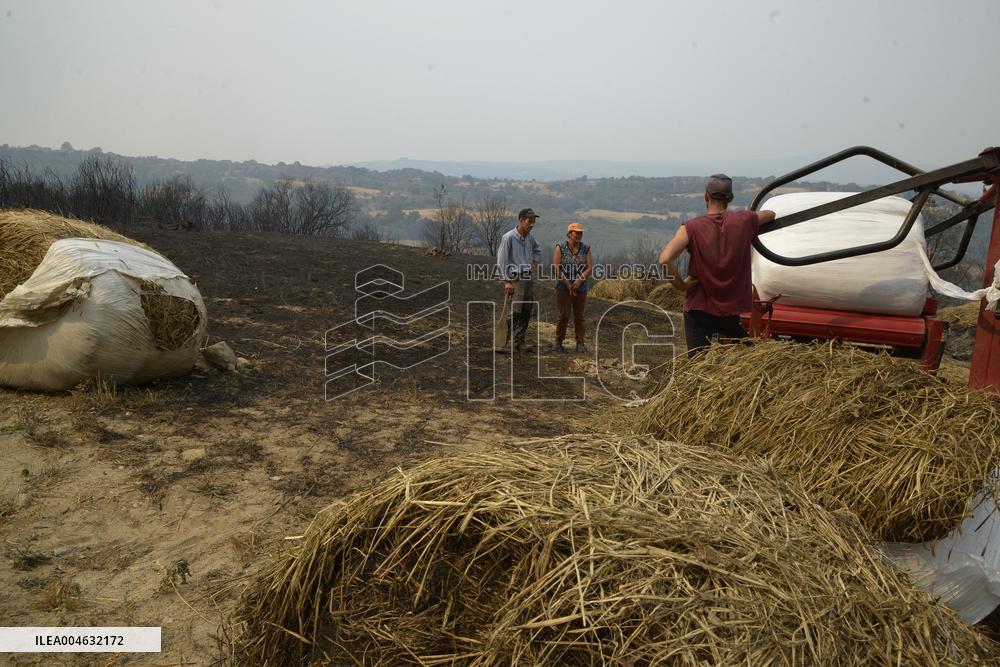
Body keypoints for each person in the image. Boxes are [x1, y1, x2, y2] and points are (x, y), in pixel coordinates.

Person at [658, 174, 776, 358]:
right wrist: (751, 215)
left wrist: (683, 286)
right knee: (748, 362)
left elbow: (664, 260)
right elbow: (770, 215)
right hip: (730, 313)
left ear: (706, 196)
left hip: (698, 311)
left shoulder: (690, 227)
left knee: (696, 368)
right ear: (730, 198)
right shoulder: (745, 221)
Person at [495, 207, 542, 353]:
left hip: (528, 278)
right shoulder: (508, 237)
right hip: (515, 278)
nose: (532, 224)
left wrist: (535, 260)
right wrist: (507, 281)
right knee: (515, 311)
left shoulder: (529, 238)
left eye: (533, 221)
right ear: (521, 220)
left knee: (527, 311)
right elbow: (502, 261)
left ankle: (519, 344)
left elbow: (537, 249)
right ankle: (501, 343)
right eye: (529, 221)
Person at [552, 222, 594, 352]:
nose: (579, 235)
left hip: (580, 286)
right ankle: (558, 341)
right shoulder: (561, 247)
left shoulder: (586, 248)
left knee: (579, 315)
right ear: (569, 233)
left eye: (580, 233)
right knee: (563, 314)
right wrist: (567, 284)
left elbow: (590, 267)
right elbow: (555, 267)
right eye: (576, 232)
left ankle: (580, 343)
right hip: (563, 285)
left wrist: (580, 280)